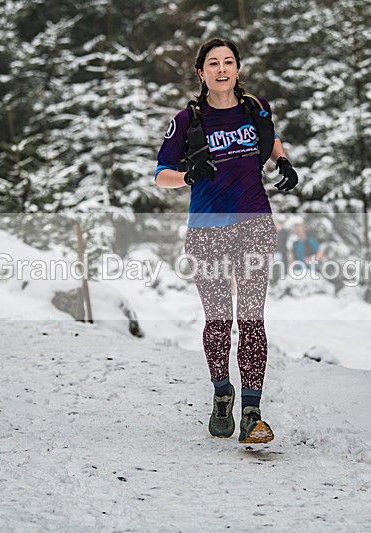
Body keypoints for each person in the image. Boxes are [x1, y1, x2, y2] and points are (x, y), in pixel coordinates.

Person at [154, 37, 299, 444]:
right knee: (220, 320)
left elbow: (269, 140)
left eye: (228, 62)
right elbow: (161, 173)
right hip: (207, 231)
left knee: (252, 317)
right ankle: (222, 395)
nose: (222, 69)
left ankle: (252, 412)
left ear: (237, 68)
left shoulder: (256, 107)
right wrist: (187, 176)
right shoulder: (188, 120)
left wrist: (282, 160)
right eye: (213, 63)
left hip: (254, 223)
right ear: (201, 73)